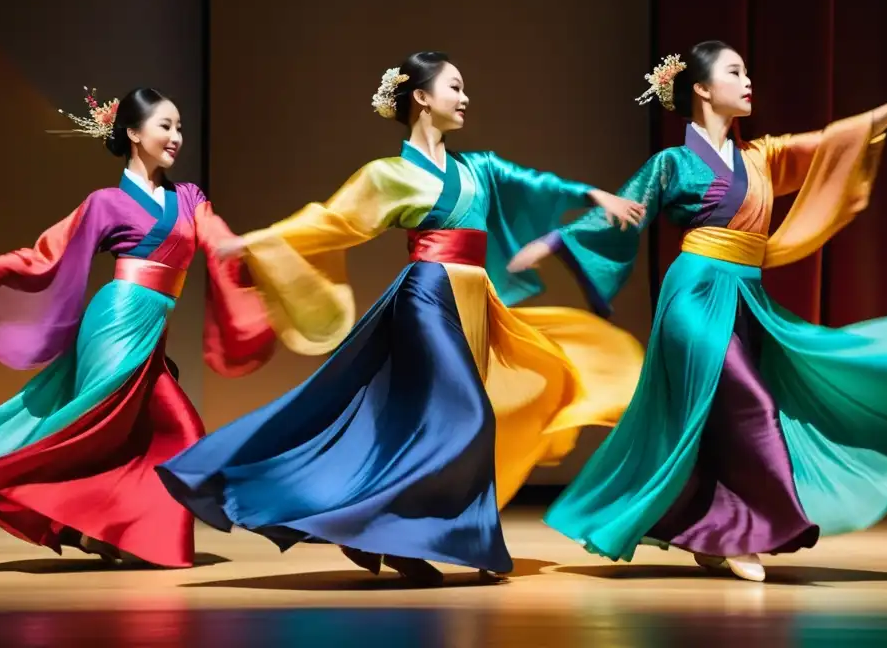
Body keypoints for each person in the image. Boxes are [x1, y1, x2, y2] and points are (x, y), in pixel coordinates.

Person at [156, 51, 647, 585]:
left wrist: (589, 194)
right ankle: (428, 540)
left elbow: (531, 182)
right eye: (454, 87)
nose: (464, 97)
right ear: (420, 97)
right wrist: (257, 242)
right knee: (469, 417)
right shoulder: (388, 175)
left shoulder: (474, 167)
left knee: (439, 425)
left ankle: (381, 531)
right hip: (428, 296)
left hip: (476, 300)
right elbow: (332, 221)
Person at [508, 41, 887, 582]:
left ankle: (710, 532)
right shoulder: (673, 163)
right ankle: (744, 534)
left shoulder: (761, 156)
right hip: (695, 294)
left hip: (746, 294)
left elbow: (828, 145)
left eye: (747, 71)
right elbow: (623, 214)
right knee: (751, 404)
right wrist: (552, 244)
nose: (748, 80)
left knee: (720, 416)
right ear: (702, 89)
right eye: (735, 72)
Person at [0, 87, 274, 567]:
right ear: (133, 133)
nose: (176, 136)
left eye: (179, 127)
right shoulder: (106, 203)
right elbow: (46, 254)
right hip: (116, 323)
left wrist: (258, 247)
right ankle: (100, 525)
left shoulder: (189, 198)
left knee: (145, 434)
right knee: (100, 426)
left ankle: (100, 531)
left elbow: (220, 240)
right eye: (165, 126)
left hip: (152, 327)